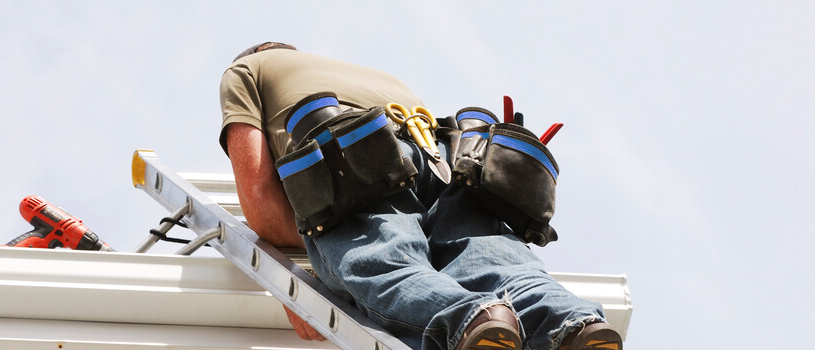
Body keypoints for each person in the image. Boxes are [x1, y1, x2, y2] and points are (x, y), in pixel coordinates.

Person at [218, 42, 623, 350]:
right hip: (451, 159)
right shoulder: (377, 77)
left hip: (358, 160)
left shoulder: (248, 68)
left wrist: (321, 266)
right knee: (497, 263)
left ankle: (470, 319)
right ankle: (572, 324)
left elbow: (258, 197)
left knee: (385, 267)